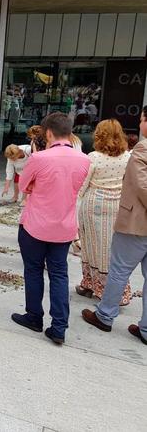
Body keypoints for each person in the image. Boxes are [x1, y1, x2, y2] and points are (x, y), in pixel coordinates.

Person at [11, 112, 90, 345]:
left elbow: (24, 186)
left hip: (36, 223)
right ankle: (59, 326)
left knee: (33, 270)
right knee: (59, 273)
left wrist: (38, 185)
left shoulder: (39, 158)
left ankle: (34, 316)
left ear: (48, 132)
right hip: (64, 225)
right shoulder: (84, 160)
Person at [82, 106, 147, 345]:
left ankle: (105, 314)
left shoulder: (141, 148)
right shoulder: (129, 154)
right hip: (124, 210)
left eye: (141, 119)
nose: (140, 124)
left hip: (130, 219)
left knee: (117, 267)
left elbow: (142, 187)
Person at [76, 119, 132, 304]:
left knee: (91, 245)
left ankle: (91, 283)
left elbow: (83, 185)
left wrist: (76, 199)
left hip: (94, 203)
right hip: (116, 204)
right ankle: (115, 289)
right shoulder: (127, 156)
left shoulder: (93, 157)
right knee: (111, 248)